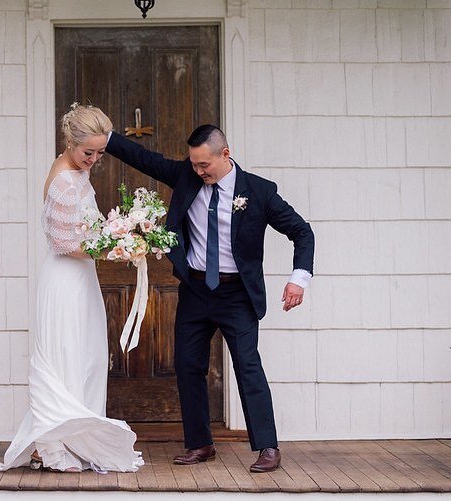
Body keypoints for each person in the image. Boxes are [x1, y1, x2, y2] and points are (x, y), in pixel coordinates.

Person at [105, 124, 314, 473]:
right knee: (188, 365)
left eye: (205, 165)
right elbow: (144, 158)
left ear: (225, 155)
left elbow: (301, 232)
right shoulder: (187, 176)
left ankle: (267, 446)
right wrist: (106, 137)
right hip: (196, 289)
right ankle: (200, 443)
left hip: (237, 295)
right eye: (194, 164)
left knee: (248, 367)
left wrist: (298, 279)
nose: (198, 171)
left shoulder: (259, 192)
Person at [0, 104, 144, 474]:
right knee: (66, 356)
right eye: (87, 152)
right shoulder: (63, 180)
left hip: (81, 278)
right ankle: (51, 444)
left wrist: (114, 238)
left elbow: (83, 234)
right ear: (69, 142)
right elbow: (65, 244)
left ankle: (68, 440)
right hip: (65, 280)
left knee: (85, 356)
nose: (93, 159)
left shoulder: (76, 172)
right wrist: (116, 249)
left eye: (99, 153)